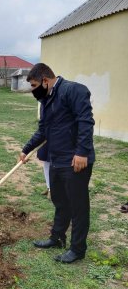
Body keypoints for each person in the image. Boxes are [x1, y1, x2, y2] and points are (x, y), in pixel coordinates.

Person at [20, 63, 95, 264]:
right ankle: (57, 237)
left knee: (78, 206)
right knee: (60, 201)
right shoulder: (46, 101)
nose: (34, 90)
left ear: (45, 80)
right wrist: (26, 149)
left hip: (75, 160)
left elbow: (85, 122)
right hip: (56, 159)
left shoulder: (73, 90)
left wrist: (81, 152)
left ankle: (77, 249)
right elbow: (43, 130)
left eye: (35, 85)